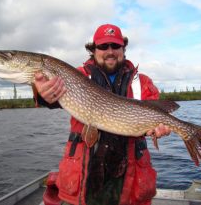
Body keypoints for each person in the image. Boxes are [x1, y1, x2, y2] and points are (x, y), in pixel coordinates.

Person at [33, 24, 171, 205]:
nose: (110, 51)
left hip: (129, 180)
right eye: (104, 46)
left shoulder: (141, 82)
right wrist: (40, 91)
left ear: (123, 48)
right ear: (93, 49)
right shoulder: (76, 75)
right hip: (82, 178)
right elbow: (50, 99)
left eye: (115, 46)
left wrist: (156, 129)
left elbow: (152, 118)